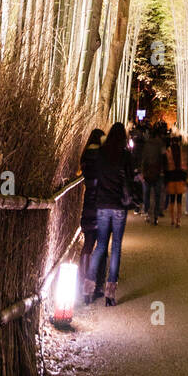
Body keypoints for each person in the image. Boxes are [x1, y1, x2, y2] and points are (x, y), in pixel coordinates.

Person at [88, 122, 135, 306]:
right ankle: (110, 294)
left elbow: (94, 176)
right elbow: (130, 180)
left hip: (101, 205)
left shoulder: (101, 154)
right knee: (115, 247)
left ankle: (88, 290)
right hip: (118, 207)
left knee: (100, 246)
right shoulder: (125, 155)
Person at [79, 128, 105, 303]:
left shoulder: (84, 156)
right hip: (102, 202)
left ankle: (83, 282)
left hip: (88, 202)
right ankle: (97, 284)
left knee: (88, 243)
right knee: (101, 245)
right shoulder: (104, 156)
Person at [140, 123, 165, 225]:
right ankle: (155, 215)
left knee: (147, 194)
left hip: (147, 172)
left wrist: (142, 171)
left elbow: (143, 159)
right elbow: (163, 158)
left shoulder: (146, 145)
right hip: (158, 172)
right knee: (157, 194)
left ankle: (147, 213)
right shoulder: (160, 144)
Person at [164, 135, 186, 227]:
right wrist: (185, 179)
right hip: (180, 178)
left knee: (172, 200)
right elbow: (184, 166)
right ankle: (178, 220)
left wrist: (165, 180)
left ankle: (172, 219)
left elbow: (166, 167)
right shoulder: (181, 151)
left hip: (171, 178)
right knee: (179, 201)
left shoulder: (168, 151)